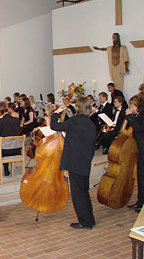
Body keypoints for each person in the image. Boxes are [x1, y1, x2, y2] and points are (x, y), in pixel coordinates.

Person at [50, 96, 96, 229]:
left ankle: (84, 222)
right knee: (84, 191)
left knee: (77, 194)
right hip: (85, 161)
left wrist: (56, 113)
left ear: (78, 107)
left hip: (75, 162)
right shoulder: (90, 123)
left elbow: (54, 126)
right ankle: (89, 219)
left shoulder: (75, 121)